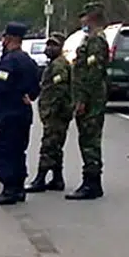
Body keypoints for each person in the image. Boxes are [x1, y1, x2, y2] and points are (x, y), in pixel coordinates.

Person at [0, 22, 43, 205]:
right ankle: (18, 187)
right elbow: (36, 86)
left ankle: (9, 189)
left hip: (8, 112)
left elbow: (1, 85)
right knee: (19, 150)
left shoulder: (9, 60)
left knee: (4, 149)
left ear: (9, 38)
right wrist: (29, 96)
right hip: (23, 112)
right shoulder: (28, 60)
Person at [67, 1, 111, 200]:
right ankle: (90, 181)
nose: (82, 20)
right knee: (86, 138)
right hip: (89, 96)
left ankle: (91, 183)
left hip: (92, 98)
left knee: (90, 139)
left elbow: (93, 73)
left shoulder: (96, 41)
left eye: (84, 16)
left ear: (91, 17)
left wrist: (82, 99)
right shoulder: (90, 39)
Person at [27, 34, 74, 193]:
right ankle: (57, 178)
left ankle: (40, 179)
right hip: (53, 112)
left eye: (53, 45)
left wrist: (53, 111)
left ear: (60, 48)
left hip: (56, 113)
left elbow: (60, 91)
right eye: (48, 45)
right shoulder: (53, 64)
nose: (49, 48)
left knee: (48, 145)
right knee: (56, 146)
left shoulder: (59, 66)